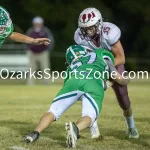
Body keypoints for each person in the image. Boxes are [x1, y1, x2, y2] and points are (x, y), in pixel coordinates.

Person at [22, 45, 130, 148]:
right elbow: (116, 76)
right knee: (90, 116)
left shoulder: (70, 68)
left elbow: (76, 93)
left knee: (53, 111)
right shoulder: (99, 54)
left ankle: (35, 133)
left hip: (73, 81)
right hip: (94, 83)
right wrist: (125, 80)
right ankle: (76, 129)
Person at [74, 7, 139, 139]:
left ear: (99, 23)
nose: (88, 30)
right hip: (96, 67)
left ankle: (131, 126)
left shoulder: (110, 32)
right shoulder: (80, 37)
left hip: (113, 64)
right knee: (90, 94)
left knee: (123, 98)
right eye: (85, 28)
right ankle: (94, 128)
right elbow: (86, 59)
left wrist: (105, 67)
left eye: (91, 27)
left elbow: (121, 58)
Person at [26, 16, 54, 85]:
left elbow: (51, 40)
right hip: (32, 53)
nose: (37, 24)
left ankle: (46, 83)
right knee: (31, 68)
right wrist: (28, 49)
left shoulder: (45, 31)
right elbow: (26, 40)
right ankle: (30, 83)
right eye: (36, 23)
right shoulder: (30, 31)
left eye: (38, 23)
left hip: (43, 52)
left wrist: (48, 50)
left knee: (45, 67)